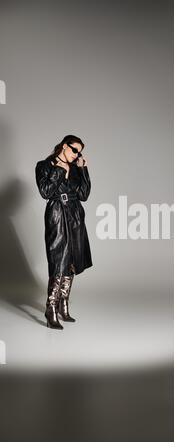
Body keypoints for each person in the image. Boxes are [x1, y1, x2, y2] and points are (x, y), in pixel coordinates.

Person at [35, 135, 93, 329]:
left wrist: (83, 169)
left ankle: (63, 304)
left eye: (79, 152)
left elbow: (84, 195)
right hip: (57, 213)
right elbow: (45, 191)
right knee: (58, 259)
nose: (77, 154)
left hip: (75, 214)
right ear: (63, 146)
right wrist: (60, 169)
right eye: (74, 150)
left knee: (72, 261)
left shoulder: (77, 168)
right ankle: (51, 307)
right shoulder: (44, 166)